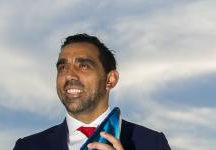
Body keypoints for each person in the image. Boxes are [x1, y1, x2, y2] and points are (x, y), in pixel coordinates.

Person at [13, 33, 171, 150]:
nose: (69, 75)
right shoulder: (28, 146)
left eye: (83, 66)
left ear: (110, 80)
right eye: (62, 67)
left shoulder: (152, 143)